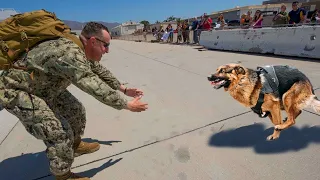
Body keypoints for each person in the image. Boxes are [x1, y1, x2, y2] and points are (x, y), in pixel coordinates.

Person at [0, 22, 148, 180]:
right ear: (93, 41)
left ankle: (75, 145)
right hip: (17, 91)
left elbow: (97, 69)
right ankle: (63, 175)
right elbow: (91, 83)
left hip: (43, 87)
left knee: (75, 111)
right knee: (58, 132)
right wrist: (126, 104)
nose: (107, 51)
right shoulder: (68, 52)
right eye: (106, 45)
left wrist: (123, 89)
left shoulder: (79, 48)